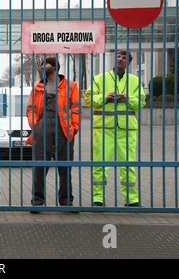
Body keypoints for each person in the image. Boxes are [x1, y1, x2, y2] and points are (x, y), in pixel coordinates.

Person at [84, 50, 146, 207]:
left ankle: (131, 200)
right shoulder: (99, 79)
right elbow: (88, 99)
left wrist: (128, 99)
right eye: (118, 57)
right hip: (103, 128)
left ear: (129, 63)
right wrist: (104, 98)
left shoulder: (135, 80)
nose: (120, 59)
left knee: (128, 164)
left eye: (124, 58)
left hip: (126, 130)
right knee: (100, 163)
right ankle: (98, 199)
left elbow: (141, 102)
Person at [26, 57, 81, 209]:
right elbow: (30, 109)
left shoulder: (71, 86)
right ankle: (37, 201)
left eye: (46, 63)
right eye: (42, 64)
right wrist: (35, 126)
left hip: (64, 128)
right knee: (40, 165)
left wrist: (74, 128)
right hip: (43, 126)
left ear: (55, 66)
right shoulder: (38, 87)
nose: (43, 66)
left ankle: (65, 201)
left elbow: (76, 108)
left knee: (65, 166)